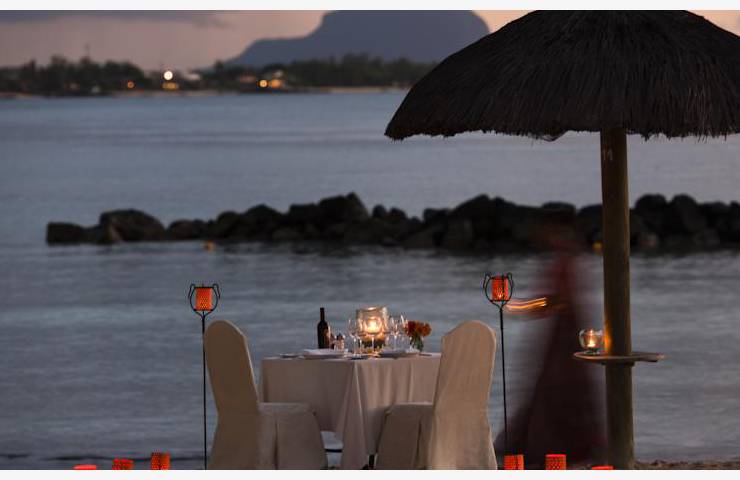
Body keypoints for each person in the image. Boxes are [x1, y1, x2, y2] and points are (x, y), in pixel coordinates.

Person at [495, 215, 606, 468]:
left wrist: (520, 306)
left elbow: (557, 300)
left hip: (564, 337)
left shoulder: (565, 261)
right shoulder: (565, 259)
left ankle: (558, 450)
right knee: (553, 391)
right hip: (560, 334)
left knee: (559, 390)